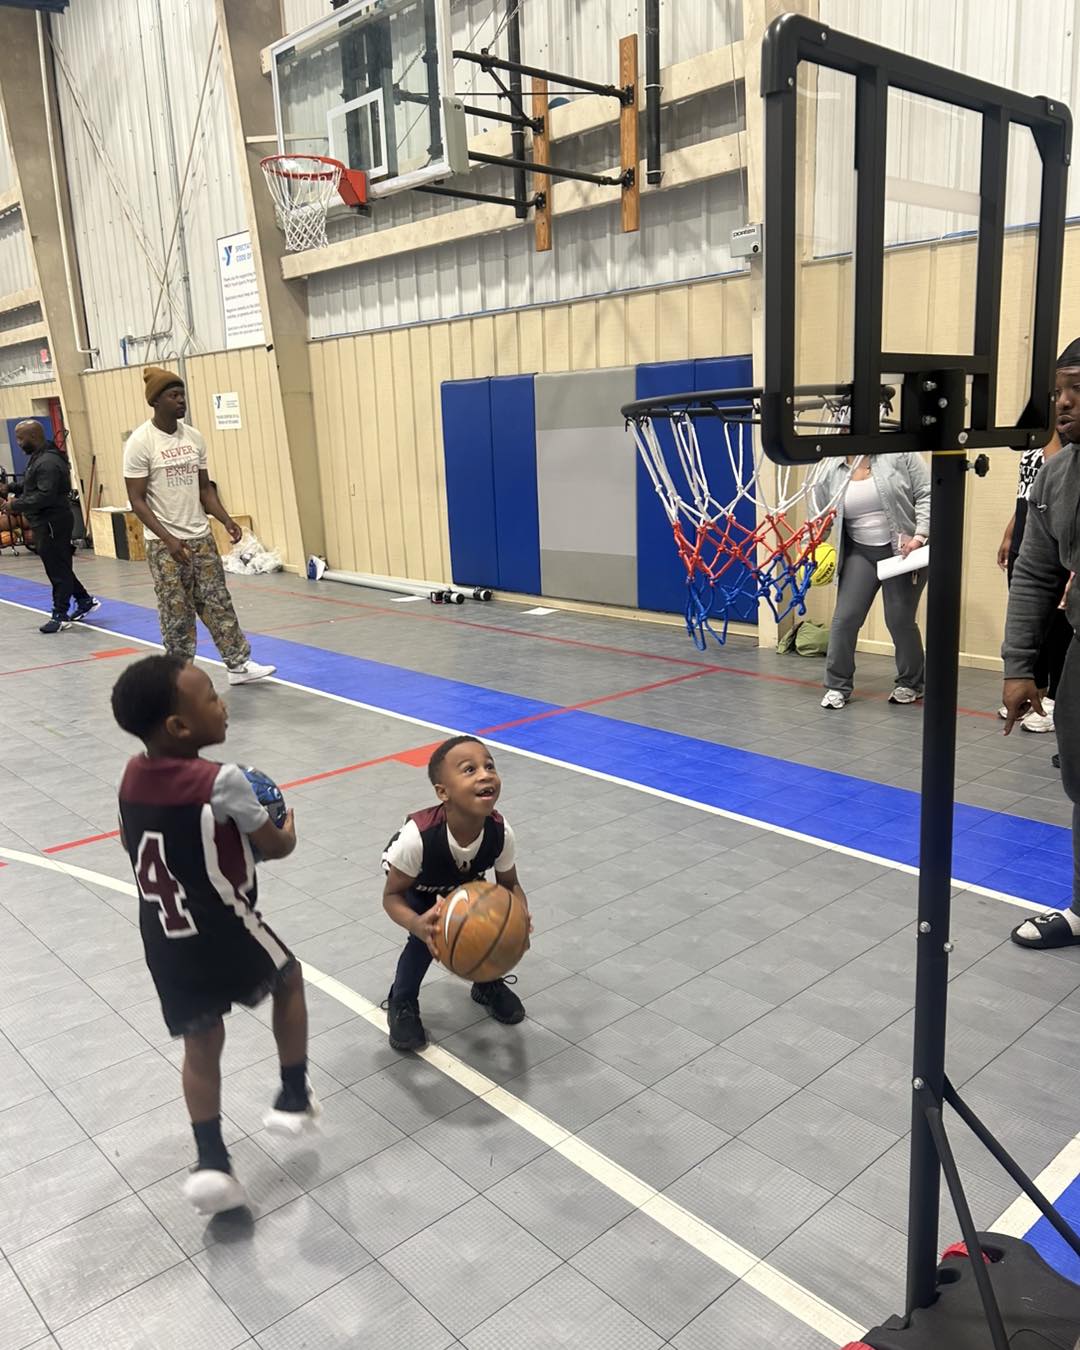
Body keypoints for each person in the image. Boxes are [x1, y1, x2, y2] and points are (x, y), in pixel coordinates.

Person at [112, 654, 318, 1213]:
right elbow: (275, 846)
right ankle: (293, 1096)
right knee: (290, 979)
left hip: (163, 936)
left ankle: (211, 1163)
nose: (222, 704)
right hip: (221, 923)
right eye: (210, 697)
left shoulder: (131, 775)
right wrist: (285, 830)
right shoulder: (221, 781)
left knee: (202, 1046)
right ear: (180, 727)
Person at [122, 367, 274, 685]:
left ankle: (238, 665)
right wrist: (168, 539)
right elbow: (137, 500)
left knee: (218, 601)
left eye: (182, 395)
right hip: (165, 544)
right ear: (156, 401)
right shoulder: (141, 442)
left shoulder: (193, 438)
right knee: (176, 611)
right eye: (173, 396)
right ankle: (176, 677)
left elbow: (205, 489)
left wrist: (227, 520)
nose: (181, 401)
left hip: (200, 538)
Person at [381, 735, 531, 1051]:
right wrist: (416, 924)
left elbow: (509, 884)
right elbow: (392, 897)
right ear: (442, 792)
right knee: (426, 940)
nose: (485, 774)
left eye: (489, 766)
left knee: (488, 926)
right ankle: (402, 1001)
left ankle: (486, 984)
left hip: (464, 877)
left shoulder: (501, 832)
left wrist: (520, 916)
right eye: (469, 770)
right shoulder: (416, 839)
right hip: (418, 881)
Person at [1005, 338, 1080, 949]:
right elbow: (1034, 573)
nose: (1063, 403)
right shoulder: (1057, 473)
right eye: (1059, 390)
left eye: (1077, 388)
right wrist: (1019, 666)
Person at [811, 452, 931, 709]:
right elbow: (820, 516)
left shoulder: (901, 454)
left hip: (903, 551)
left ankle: (911, 683)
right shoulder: (831, 467)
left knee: (899, 619)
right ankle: (837, 686)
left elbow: (926, 493)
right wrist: (810, 546)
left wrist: (920, 536)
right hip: (859, 552)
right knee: (845, 619)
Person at [996, 431, 1071, 733]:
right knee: (1030, 615)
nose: (1062, 401)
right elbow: (1029, 492)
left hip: (1056, 537)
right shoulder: (1036, 437)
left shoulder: (1064, 442)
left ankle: (1053, 697)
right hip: (1028, 529)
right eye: (1056, 393)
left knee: (1057, 625)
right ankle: (1035, 687)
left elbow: (1058, 480)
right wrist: (1010, 532)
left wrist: (1052, 432)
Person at [0, 420, 96, 633]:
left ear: (33, 437)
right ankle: (84, 600)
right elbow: (31, 483)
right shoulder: (40, 458)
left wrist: (14, 504)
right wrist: (9, 487)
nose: (18, 443)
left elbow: (45, 495)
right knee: (60, 565)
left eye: (20, 438)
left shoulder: (49, 462)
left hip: (53, 522)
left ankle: (60, 614)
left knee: (57, 569)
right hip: (44, 522)